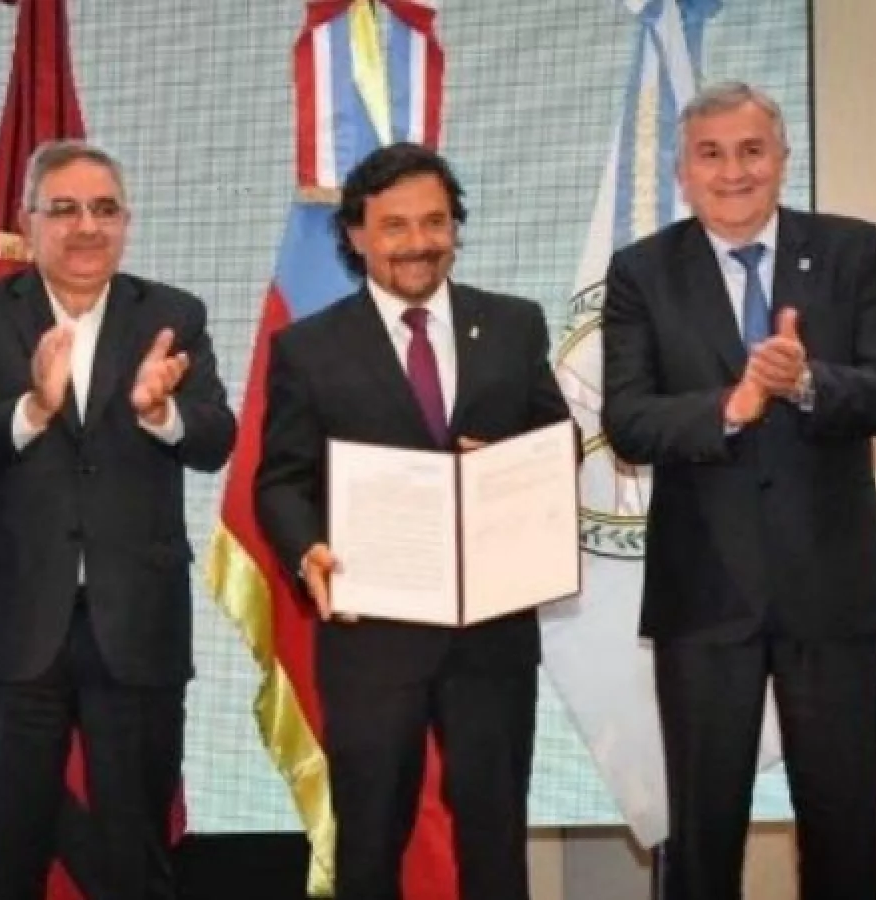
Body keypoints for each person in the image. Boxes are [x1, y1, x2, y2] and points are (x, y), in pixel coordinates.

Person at [600, 81, 876, 900]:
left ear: (783, 158)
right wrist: (733, 405)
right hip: (703, 596)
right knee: (702, 847)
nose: (733, 171)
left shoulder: (856, 251)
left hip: (835, 592)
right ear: (682, 173)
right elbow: (629, 420)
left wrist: (806, 381)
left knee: (846, 840)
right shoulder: (641, 272)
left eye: (751, 150)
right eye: (710, 154)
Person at [253, 142, 574, 900]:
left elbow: (557, 447)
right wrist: (308, 550)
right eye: (394, 226)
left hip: (492, 635)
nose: (418, 242)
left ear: (455, 227)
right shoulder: (309, 347)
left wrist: (510, 465)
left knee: (496, 841)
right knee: (370, 843)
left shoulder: (514, 325)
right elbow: (282, 482)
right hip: (372, 636)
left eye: (435, 222)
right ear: (356, 235)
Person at [0, 140, 236, 900]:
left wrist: (161, 412)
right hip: (16, 625)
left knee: (138, 854)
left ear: (126, 221)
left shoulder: (172, 316)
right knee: (6, 853)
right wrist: (33, 407)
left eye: (104, 209)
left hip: (137, 624)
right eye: (63, 209)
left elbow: (216, 440)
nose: (86, 226)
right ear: (28, 222)